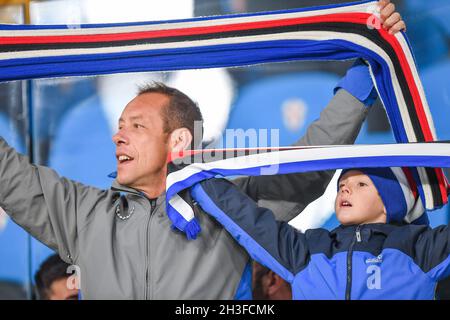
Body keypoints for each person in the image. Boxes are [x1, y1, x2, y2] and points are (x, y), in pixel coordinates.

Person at [0, 1, 405, 299]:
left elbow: (311, 160)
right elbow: (7, 173)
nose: (117, 136)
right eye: (120, 127)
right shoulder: (83, 214)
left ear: (178, 142)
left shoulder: (228, 206)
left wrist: (369, 58)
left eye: (136, 126)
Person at [190, 167, 450, 299]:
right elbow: (250, 222)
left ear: (390, 203)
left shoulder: (418, 248)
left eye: (361, 184)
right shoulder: (311, 249)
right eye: (342, 185)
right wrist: (195, 178)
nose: (346, 190)